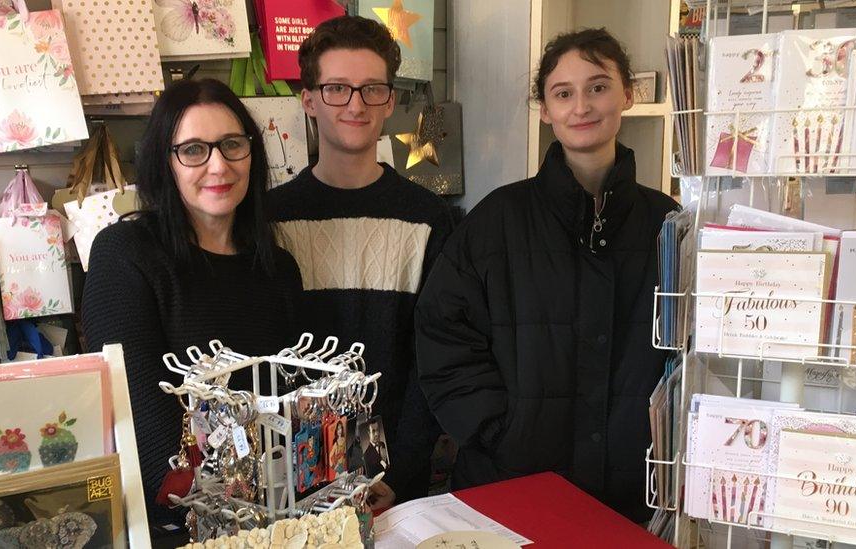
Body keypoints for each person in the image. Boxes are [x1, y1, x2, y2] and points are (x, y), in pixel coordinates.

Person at [415, 28, 679, 522]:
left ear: (628, 94)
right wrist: (500, 431)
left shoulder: (668, 225)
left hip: (633, 495)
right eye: (563, 93)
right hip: (509, 489)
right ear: (545, 108)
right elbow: (442, 337)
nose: (581, 105)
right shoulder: (496, 221)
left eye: (598, 87)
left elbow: (689, 354)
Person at [81, 78, 302, 531]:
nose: (218, 165)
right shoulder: (125, 253)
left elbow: (288, 400)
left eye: (231, 145)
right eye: (194, 150)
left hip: (275, 513)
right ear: (167, 163)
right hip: (174, 522)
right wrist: (231, 507)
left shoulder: (278, 266)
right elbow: (138, 416)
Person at [268, 15, 453, 509]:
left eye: (372, 89)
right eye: (336, 89)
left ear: (390, 101)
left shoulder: (432, 221)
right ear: (308, 100)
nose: (355, 104)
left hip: (395, 484)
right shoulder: (268, 222)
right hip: (287, 475)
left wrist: (400, 469)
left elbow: (434, 360)